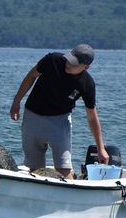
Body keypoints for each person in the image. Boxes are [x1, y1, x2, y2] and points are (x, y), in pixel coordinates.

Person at [9, 43, 108, 177]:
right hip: (32, 115)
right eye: (69, 59)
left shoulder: (87, 84)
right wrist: (16, 102)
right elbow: (31, 76)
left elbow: (92, 116)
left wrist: (101, 148)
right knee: (35, 169)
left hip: (60, 122)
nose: (68, 63)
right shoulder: (53, 60)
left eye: (74, 63)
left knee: (64, 169)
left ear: (86, 67)